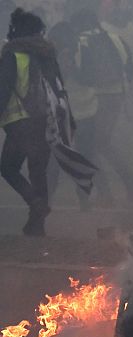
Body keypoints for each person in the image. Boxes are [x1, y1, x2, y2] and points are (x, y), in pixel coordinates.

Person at [71, 8, 133, 205]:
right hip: (115, 95)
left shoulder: (80, 41)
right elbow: (130, 68)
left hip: (91, 98)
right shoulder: (114, 38)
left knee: (90, 145)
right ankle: (123, 182)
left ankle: (110, 189)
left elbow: (80, 74)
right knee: (100, 142)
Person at [0, 9, 58, 235]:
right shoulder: (46, 54)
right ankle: (37, 226)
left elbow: (3, 91)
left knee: (8, 167)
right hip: (46, 120)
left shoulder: (12, 55)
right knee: (38, 171)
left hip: (21, 121)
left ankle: (36, 203)